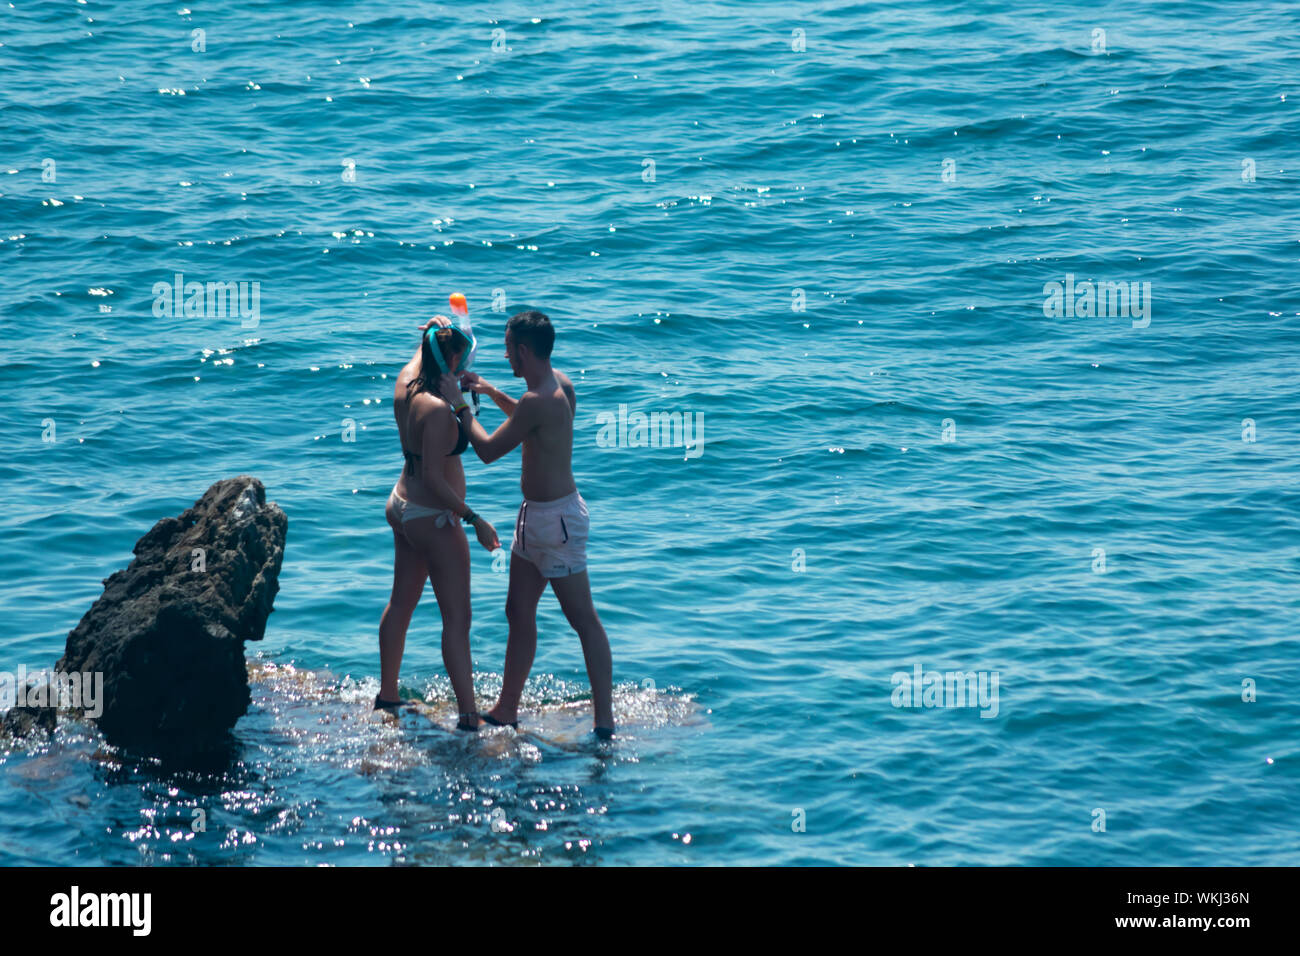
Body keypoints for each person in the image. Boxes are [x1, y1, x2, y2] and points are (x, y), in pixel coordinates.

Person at [434, 310, 615, 740]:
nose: (503, 354)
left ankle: (605, 721)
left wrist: (459, 404)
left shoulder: (541, 399)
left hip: (558, 523)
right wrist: (489, 390)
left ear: (523, 350)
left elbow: (489, 449)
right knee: (518, 611)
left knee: (583, 620)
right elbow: (529, 423)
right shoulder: (557, 387)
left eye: (507, 347)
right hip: (535, 518)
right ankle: (507, 709)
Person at [378, 316, 500, 731]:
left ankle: (388, 696)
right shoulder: (438, 413)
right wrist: (474, 519)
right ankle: (469, 716)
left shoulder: (406, 380)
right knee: (457, 620)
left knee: (401, 604)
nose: (465, 363)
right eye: (460, 357)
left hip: (401, 505)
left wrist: (432, 332)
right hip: (435, 518)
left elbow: (423, 353)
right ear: (448, 357)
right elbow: (434, 477)